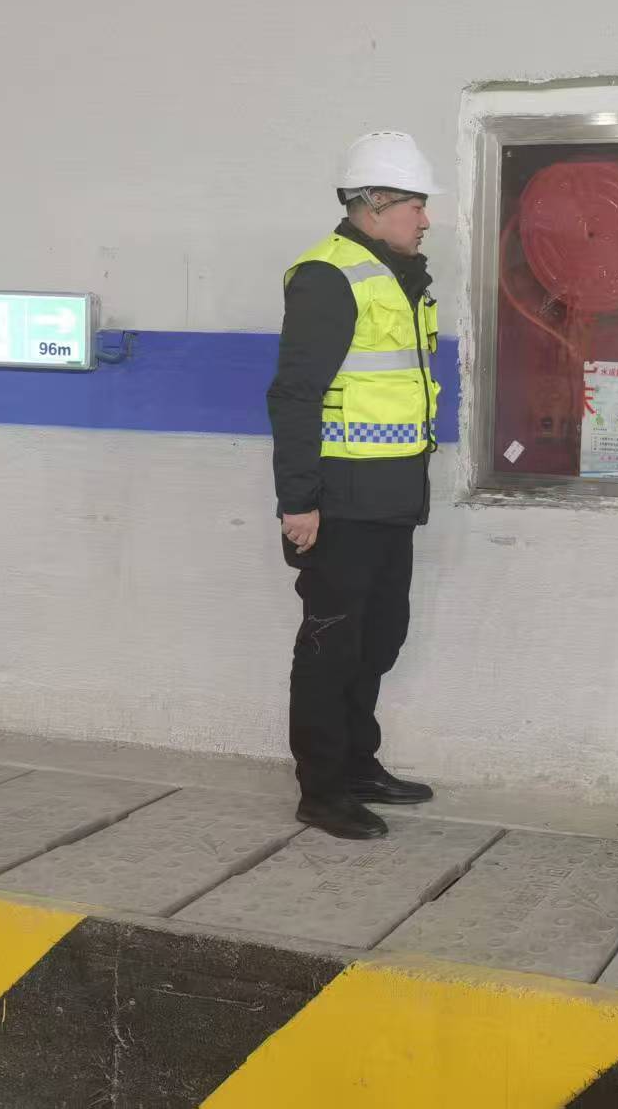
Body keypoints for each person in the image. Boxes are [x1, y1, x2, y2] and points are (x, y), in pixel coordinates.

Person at [265, 131, 444, 840]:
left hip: (392, 497)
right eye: (415, 206)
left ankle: (359, 765)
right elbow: (294, 395)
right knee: (331, 644)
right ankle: (322, 788)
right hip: (339, 501)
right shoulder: (329, 276)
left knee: (378, 638)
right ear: (373, 205)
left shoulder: (400, 278)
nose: (425, 220)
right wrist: (298, 500)